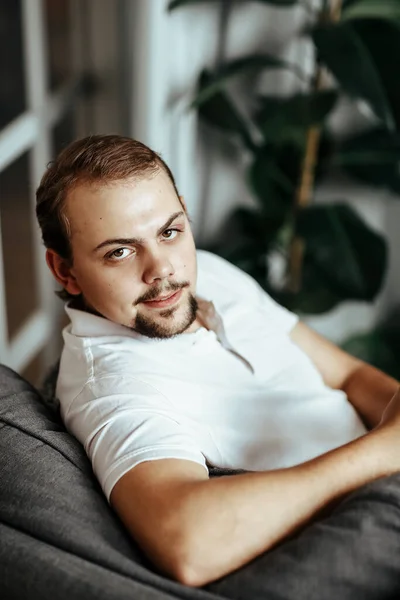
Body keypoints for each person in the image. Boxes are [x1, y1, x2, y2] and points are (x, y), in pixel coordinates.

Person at [36, 134, 400, 589]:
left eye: (170, 231)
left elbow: (349, 373)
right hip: (363, 523)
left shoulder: (208, 270)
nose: (162, 269)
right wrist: (384, 454)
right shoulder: (110, 383)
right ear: (65, 270)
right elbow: (190, 543)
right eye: (120, 252)